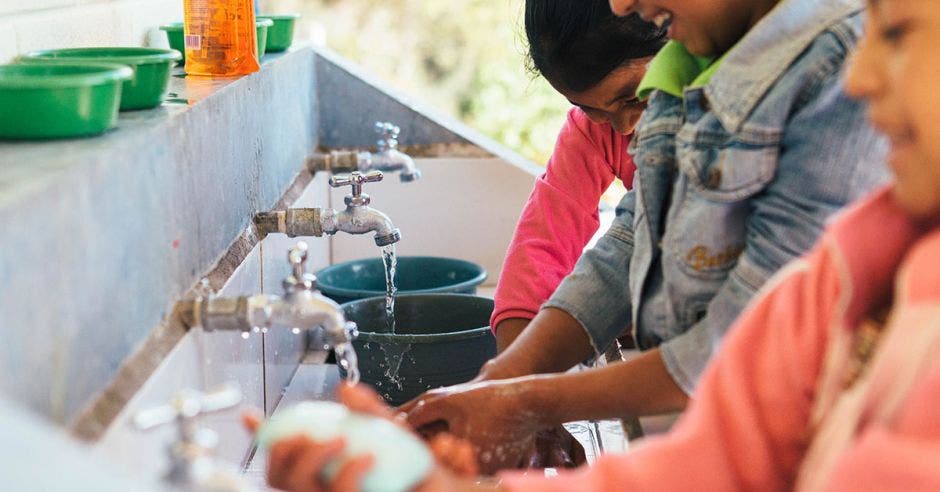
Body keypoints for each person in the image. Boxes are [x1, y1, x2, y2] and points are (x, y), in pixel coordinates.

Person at [254, 0, 940, 488]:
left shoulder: (817, 91)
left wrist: (530, 401)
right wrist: (503, 386)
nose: (862, 75)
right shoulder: (832, 276)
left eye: (900, 30)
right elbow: (713, 456)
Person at [402, 0, 891, 472]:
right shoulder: (684, 62)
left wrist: (527, 402)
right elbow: (631, 240)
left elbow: (745, 341)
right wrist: (499, 382)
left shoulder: (834, 63)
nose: (620, 4)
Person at [491, 0, 666, 353]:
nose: (623, 125)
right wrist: (505, 379)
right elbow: (542, 243)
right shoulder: (593, 131)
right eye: (590, 108)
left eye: (634, 99)